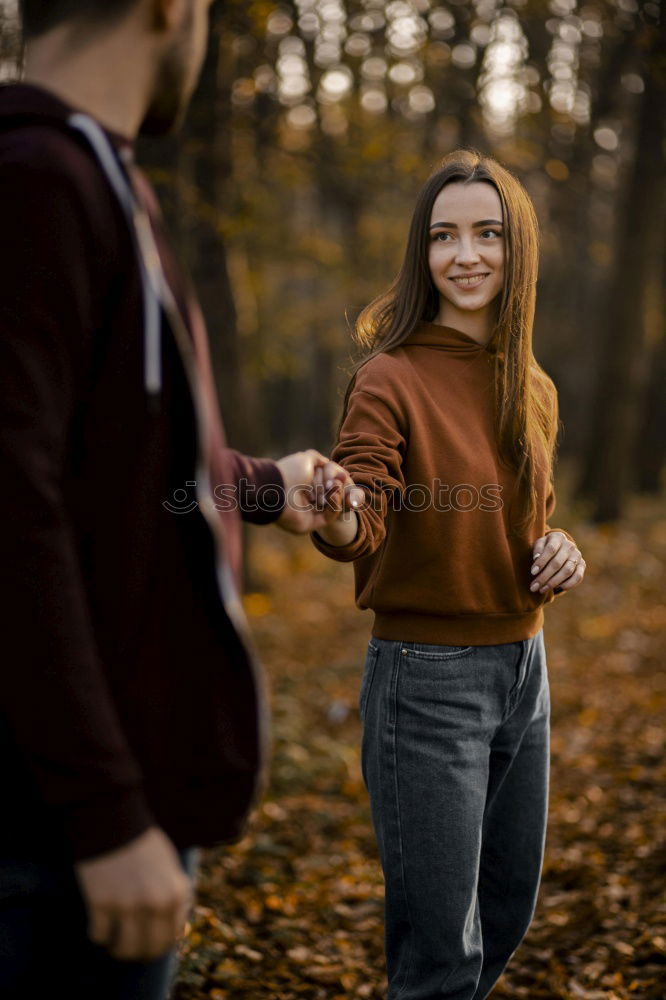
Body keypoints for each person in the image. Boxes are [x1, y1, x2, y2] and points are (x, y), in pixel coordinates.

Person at [0, 1, 355, 996]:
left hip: (90, 814)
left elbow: (92, 473)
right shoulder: (39, 183)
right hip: (54, 838)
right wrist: (104, 810)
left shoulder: (93, 180)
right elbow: (13, 516)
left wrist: (259, 487)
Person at [311, 150, 587, 1000]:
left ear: (519, 251)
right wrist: (340, 510)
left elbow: (519, 519)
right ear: (420, 254)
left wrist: (562, 548)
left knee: (503, 917)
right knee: (441, 959)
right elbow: (364, 518)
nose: (465, 255)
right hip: (426, 682)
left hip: (524, 670)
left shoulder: (529, 385)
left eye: (487, 234)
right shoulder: (388, 379)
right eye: (443, 236)